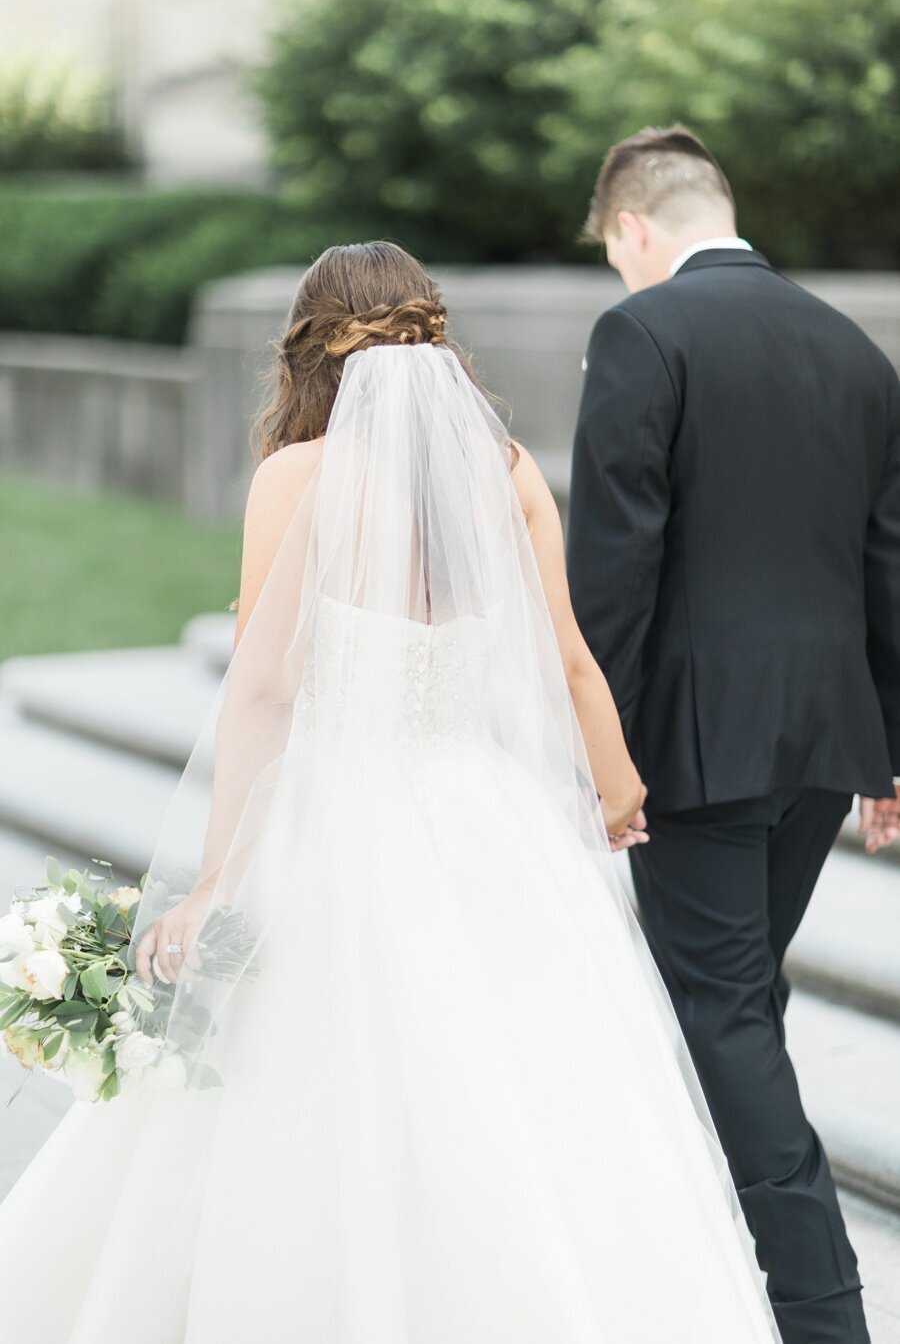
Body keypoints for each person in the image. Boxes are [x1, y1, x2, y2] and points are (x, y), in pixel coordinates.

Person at [0, 242, 781, 1343]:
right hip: (486, 817)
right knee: (528, 1092)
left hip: (338, 817)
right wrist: (617, 789)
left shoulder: (298, 477)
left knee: (306, 1090)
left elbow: (264, 692)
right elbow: (566, 656)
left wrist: (219, 875)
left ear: (312, 353)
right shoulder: (503, 469)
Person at [567, 126, 900, 1344]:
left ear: (634, 228)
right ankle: (696, 1261)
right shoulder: (855, 352)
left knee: (725, 1012)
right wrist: (890, 749)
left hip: (691, 747)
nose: (619, 275)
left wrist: (595, 741)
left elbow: (615, 566)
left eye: (614, 253)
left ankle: (823, 1312)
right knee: (742, 998)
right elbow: (891, 567)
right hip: (822, 747)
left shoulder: (642, 333)